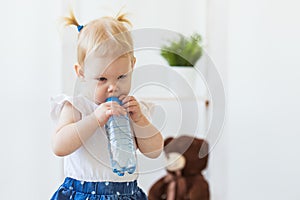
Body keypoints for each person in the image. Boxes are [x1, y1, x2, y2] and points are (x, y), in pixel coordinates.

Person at [50, 10, 163, 200]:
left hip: (126, 193)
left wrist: (140, 120)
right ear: (81, 73)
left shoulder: (133, 109)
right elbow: (59, 146)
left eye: (121, 77)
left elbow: (155, 150)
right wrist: (95, 119)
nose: (113, 88)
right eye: (102, 79)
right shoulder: (77, 107)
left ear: (132, 65)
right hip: (82, 194)